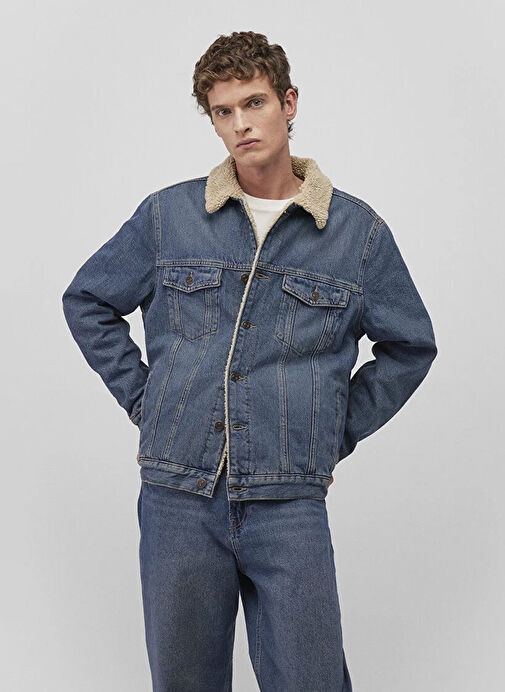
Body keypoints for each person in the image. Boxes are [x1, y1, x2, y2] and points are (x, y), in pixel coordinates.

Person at [62, 30, 437, 692]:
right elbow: (88, 300)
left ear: (288, 104)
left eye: (254, 103)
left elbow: (410, 345)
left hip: (288, 498)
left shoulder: (356, 234)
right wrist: (147, 402)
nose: (240, 123)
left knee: (310, 678)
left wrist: (332, 429)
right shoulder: (169, 217)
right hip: (178, 495)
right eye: (223, 111)